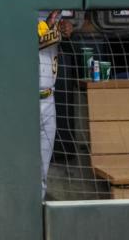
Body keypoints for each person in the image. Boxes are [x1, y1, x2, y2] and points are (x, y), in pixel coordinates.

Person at [38, 10, 73, 199]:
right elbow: (31, 42)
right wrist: (53, 29)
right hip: (24, 99)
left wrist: (64, 27)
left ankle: (38, 212)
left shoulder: (56, 13)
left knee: (42, 169)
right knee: (24, 164)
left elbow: (64, 27)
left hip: (49, 97)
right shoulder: (20, 9)